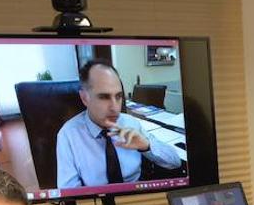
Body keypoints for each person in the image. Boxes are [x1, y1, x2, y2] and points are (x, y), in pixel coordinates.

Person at [55, 60, 183, 189]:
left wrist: (146, 146)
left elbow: (175, 161)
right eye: (104, 97)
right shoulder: (68, 135)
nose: (115, 107)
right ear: (84, 98)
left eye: (118, 96)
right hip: (98, 201)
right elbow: (69, 192)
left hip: (136, 193)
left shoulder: (130, 123)